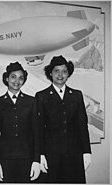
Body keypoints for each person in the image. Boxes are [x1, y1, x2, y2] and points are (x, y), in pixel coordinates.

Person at [35, 55, 92, 183]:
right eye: (56, 71)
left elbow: (82, 125)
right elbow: (38, 129)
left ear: (68, 74)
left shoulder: (77, 95)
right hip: (51, 155)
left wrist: (87, 152)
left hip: (74, 154)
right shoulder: (41, 96)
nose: (60, 74)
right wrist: (40, 154)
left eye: (64, 71)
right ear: (50, 73)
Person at [0, 62, 40, 182]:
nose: (17, 81)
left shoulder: (32, 102)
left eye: (21, 78)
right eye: (13, 77)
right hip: (5, 159)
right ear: (6, 78)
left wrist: (36, 160)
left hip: (27, 158)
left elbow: (36, 133)